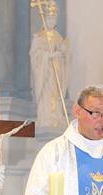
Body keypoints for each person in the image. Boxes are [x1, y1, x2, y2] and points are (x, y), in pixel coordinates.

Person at [30, 0, 70, 129]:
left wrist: (63, 53)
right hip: (45, 72)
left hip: (57, 70)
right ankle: (46, 118)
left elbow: (64, 54)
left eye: (54, 19)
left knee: (56, 94)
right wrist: (48, 56)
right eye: (49, 19)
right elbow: (35, 54)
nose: (51, 21)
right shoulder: (39, 37)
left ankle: (56, 117)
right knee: (46, 94)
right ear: (45, 20)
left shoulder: (58, 37)